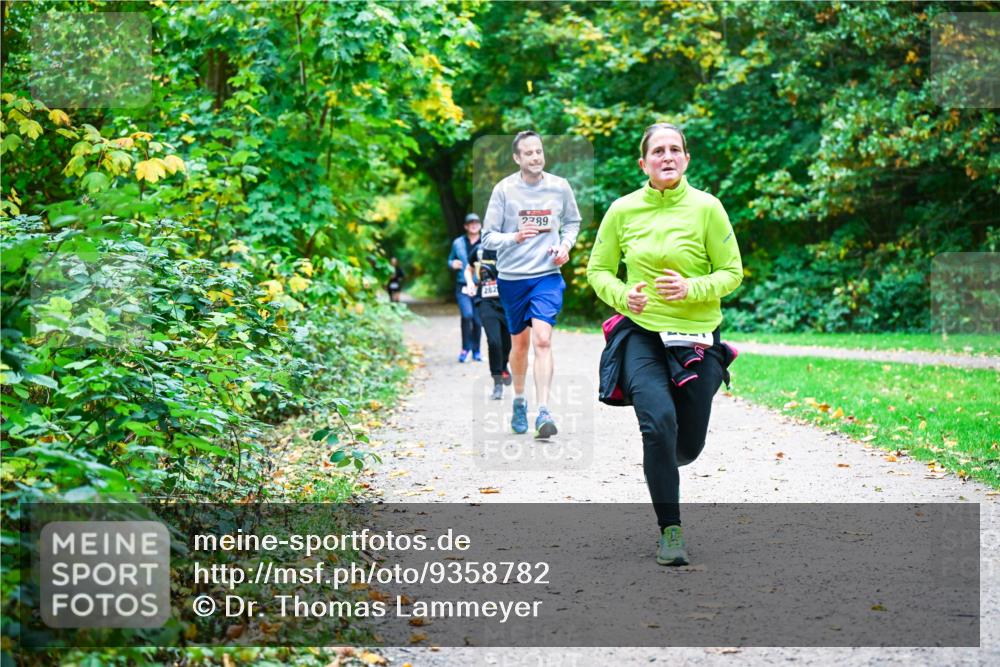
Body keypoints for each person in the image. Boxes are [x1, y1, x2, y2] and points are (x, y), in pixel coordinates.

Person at [586, 122, 742, 566]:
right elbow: (598, 271)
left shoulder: (708, 208)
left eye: (675, 149)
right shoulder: (622, 210)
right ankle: (670, 531)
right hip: (641, 332)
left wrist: (691, 288)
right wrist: (624, 296)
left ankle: (670, 451)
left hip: (696, 337)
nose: (667, 156)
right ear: (644, 162)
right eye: (658, 151)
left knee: (685, 445)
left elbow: (732, 273)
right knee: (657, 425)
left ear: (686, 159)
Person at [480, 131, 581, 438]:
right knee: (520, 346)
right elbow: (487, 238)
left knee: (543, 340)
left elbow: (573, 223)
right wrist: (515, 236)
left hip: (547, 276)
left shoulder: (559, 187)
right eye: (528, 153)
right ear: (517, 158)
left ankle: (543, 411)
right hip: (512, 279)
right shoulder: (504, 190)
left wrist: (565, 246)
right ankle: (520, 400)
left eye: (539, 151)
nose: (536, 157)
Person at [463, 245, 513, 400]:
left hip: (507, 302)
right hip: (485, 302)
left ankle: (504, 365)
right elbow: (468, 268)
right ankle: (497, 382)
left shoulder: (510, 246)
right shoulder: (479, 250)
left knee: (508, 344)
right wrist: (470, 282)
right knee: (494, 341)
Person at [448, 213, 483, 362]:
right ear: (466, 226)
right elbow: (450, 259)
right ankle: (465, 349)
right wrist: (452, 264)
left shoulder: (486, 242)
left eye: (476, 222)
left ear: (480, 225)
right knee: (467, 315)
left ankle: (476, 351)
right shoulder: (458, 243)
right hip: (462, 284)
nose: (474, 225)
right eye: (471, 223)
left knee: (477, 320)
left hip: (480, 285)